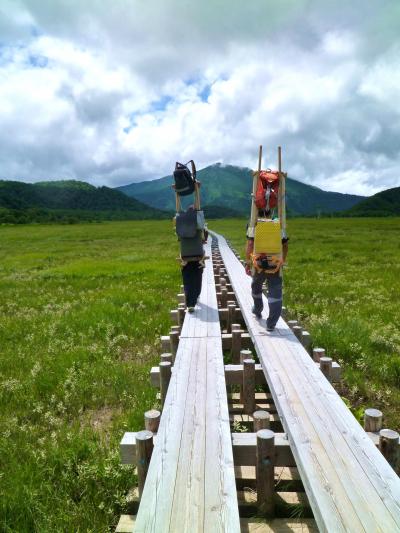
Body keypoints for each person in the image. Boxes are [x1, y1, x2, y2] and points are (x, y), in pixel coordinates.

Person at [245, 210, 288, 331]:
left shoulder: (253, 225)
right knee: (275, 292)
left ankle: (258, 309)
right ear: (271, 212)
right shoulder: (279, 225)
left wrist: (248, 262)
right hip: (275, 264)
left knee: (256, 287)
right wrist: (282, 261)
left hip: (258, 263)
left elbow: (249, 244)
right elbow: (285, 245)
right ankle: (271, 323)